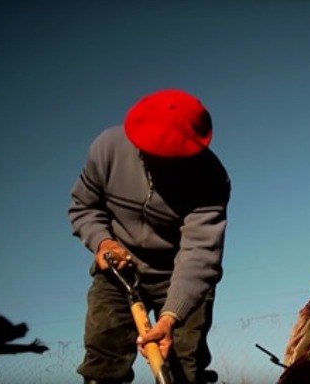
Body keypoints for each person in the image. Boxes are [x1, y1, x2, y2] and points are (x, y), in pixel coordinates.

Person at [69, 89, 231, 384]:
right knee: (104, 360)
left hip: (179, 274)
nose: (159, 163)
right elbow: (84, 207)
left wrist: (170, 317)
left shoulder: (211, 179)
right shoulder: (108, 149)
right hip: (119, 269)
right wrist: (103, 241)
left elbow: (200, 254)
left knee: (186, 363)